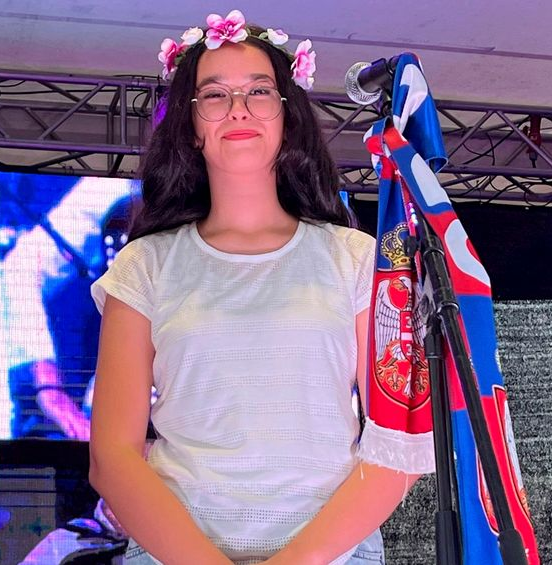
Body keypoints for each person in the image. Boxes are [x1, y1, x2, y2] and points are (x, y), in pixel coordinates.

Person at [88, 10, 435, 565]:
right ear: (191, 125)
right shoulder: (144, 266)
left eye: (258, 91)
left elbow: (397, 442)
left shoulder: (356, 259)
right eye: (215, 95)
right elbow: (113, 456)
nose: (239, 108)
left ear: (287, 116)